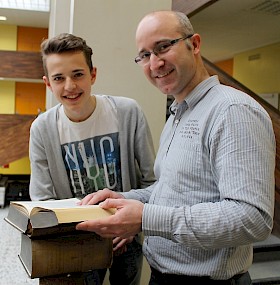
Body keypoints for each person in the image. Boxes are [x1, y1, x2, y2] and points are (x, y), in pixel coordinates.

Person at [76, 10, 276, 285]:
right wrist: (127, 199)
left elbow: (251, 218)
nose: (154, 63)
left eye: (163, 47)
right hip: (164, 276)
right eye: (144, 55)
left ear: (194, 44)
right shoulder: (178, 114)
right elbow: (174, 189)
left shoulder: (232, 111)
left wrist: (146, 218)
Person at [29, 33, 156, 285]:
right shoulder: (42, 128)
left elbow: (152, 182)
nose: (69, 86)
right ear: (47, 83)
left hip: (126, 236)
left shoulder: (127, 112)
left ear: (93, 74)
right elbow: (42, 199)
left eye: (78, 74)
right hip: (78, 237)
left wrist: (133, 226)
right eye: (58, 78)